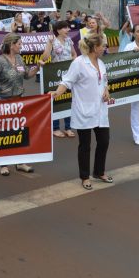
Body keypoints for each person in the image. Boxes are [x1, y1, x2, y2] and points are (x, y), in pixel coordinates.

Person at [50, 33, 112, 190]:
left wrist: (106, 90)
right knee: (85, 145)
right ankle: (84, 177)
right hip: (84, 110)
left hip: (100, 110)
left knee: (104, 141)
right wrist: (57, 92)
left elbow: (104, 81)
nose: (105, 48)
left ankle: (99, 172)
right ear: (95, 47)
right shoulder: (79, 63)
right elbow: (67, 81)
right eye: (103, 45)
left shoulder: (101, 63)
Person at [0, 33, 39, 176]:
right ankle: (3, 164)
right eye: (19, 44)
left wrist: (37, 67)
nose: (21, 46)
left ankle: (20, 162)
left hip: (18, 101)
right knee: (4, 134)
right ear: (11, 45)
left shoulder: (19, 58)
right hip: (3, 102)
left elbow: (27, 75)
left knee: (19, 132)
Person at [40, 21, 76, 138]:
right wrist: (49, 44)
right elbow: (45, 57)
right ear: (58, 30)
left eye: (68, 28)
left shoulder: (69, 40)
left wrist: (73, 63)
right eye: (65, 28)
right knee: (55, 99)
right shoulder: (52, 40)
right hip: (56, 75)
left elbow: (74, 54)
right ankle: (55, 128)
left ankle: (68, 127)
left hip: (68, 74)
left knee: (68, 99)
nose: (68, 30)